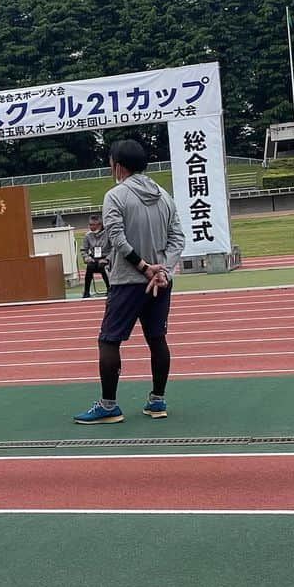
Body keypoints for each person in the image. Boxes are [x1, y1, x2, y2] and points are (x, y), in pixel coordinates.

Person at [74, 139, 185, 424]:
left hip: (128, 281)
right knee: (157, 338)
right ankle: (157, 401)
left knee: (108, 341)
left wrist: (143, 266)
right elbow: (177, 238)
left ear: (118, 166)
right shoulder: (164, 195)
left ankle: (108, 404)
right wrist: (164, 271)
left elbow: (117, 237)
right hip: (159, 282)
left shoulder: (116, 195)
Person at [80, 214, 110, 299]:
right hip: (93, 258)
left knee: (102, 267)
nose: (90, 227)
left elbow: (114, 249)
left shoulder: (108, 234)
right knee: (90, 267)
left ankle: (109, 289)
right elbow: (83, 250)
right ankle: (86, 292)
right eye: (89, 224)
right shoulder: (88, 236)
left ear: (99, 225)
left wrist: (107, 259)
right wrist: (87, 258)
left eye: (93, 225)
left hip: (106, 258)